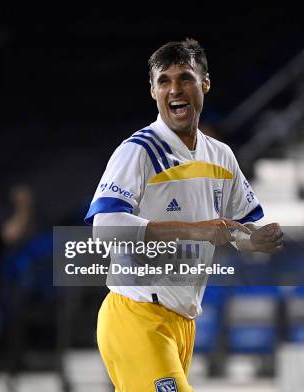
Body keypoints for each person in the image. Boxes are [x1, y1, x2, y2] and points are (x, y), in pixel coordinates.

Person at [84, 39, 283, 391]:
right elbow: (105, 227)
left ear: (204, 83)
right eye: (164, 80)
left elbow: (237, 228)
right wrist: (197, 231)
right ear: (152, 90)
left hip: (182, 322)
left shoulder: (220, 156)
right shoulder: (139, 151)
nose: (175, 89)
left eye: (185, 78)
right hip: (136, 314)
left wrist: (255, 240)